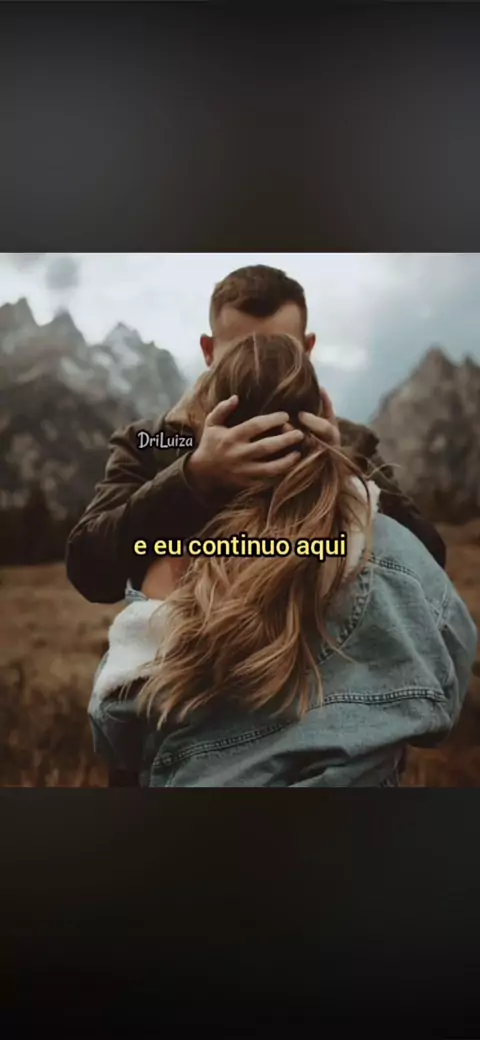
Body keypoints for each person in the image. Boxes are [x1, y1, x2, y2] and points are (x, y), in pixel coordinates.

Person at [88, 334, 477, 788]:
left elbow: (115, 724)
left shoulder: (174, 564)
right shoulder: (388, 546)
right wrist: (334, 469)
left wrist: (192, 475)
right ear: (322, 412)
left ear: (213, 423)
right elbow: (448, 672)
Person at [66, 265, 446, 610]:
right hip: (186, 653)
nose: (259, 367)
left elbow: (429, 560)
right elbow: (89, 568)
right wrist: (192, 476)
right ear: (208, 351)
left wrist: (341, 468)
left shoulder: (349, 440)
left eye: (280, 351)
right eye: (242, 352)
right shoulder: (153, 441)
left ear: (308, 349)